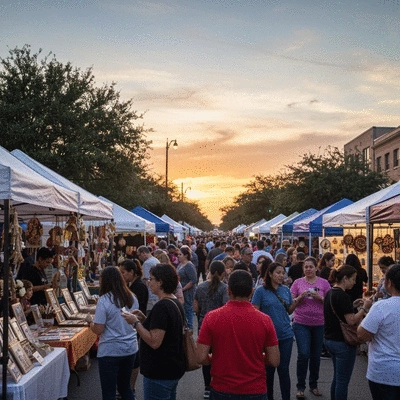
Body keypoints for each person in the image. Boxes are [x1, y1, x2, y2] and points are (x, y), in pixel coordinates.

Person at [197, 270, 280, 400]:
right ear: (251, 291)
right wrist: (258, 357)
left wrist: (216, 358)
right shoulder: (265, 320)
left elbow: (200, 357)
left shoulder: (212, 317)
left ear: (228, 290)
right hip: (255, 389)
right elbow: (274, 360)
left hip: (222, 388)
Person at [122, 263, 186, 400]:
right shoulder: (174, 302)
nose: (149, 282)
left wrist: (135, 322)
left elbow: (154, 341)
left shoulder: (162, 306)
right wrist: (144, 319)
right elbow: (164, 329)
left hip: (160, 371)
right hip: (172, 367)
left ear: (160, 282)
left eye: (151, 279)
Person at [87, 266, 139, 400]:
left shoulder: (104, 300)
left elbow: (99, 329)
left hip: (110, 349)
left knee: (109, 391)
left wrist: (90, 323)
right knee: (125, 387)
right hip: (129, 348)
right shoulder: (132, 297)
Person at [252, 263, 301, 400]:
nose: (281, 276)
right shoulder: (260, 291)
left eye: (282, 273)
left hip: (285, 334)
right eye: (278, 273)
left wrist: (297, 300)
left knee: (283, 369)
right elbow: (255, 312)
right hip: (267, 337)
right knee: (268, 371)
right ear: (270, 274)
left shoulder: (285, 290)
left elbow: (289, 310)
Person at [323, 265, 372, 400]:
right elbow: (351, 321)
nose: (355, 282)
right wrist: (364, 308)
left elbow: (338, 312)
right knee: (342, 381)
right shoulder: (343, 295)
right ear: (345, 278)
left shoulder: (330, 292)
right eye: (353, 279)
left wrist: (353, 306)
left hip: (329, 339)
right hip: (342, 342)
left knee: (337, 378)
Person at [290, 256, 331, 399]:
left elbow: (330, 303)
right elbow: (291, 304)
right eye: (306, 267)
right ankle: (300, 386)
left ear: (316, 268)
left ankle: (314, 384)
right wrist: (300, 297)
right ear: (303, 269)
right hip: (301, 322)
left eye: (311, 267)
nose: (308, 269)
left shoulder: (324, 283)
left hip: (319, 323)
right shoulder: (297, 283)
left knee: (315, 356)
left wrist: (319, 297)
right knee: (303, 353)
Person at [358, 264, 400, 400]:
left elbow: (362, 335)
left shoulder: (381, 307)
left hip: (384, 372)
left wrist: (364, 310)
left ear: (389, 283)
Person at [194, 260, 229, 399]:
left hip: (204, 324)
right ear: (222, 274)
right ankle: (220, 383)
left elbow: (195, 308)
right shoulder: (224, 288)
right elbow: (226, 306)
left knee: (206, 358)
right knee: (220, 356)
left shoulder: (200, 287)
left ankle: (207, 387)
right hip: (220, 326)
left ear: (209, 271)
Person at [176, 246, 197, 330]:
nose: (178, 256)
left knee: (188, 312)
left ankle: (190, 331)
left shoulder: (189, 265)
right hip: (180, 292)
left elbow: (193, 280)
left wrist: (183, 289)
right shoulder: (180, 264)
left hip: (187, 293)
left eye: (180, 254)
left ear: (185, 255)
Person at [137, 245, 160, 313]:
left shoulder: (146, 263)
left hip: (151, 295)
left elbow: (146, 281)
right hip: (157, 292)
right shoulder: (156, 260)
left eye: (139, 255)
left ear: (144, 253)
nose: (139, 257)